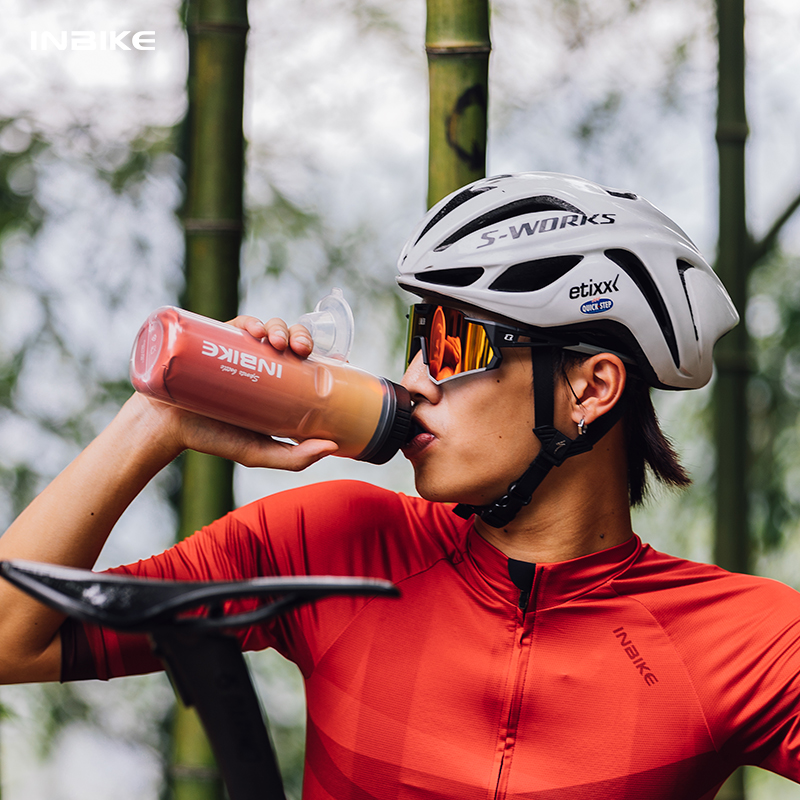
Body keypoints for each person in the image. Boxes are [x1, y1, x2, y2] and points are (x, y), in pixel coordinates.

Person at [1, 172, 799, 800]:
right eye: (421, 334)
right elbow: (10, 639)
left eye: (456, 342)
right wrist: (157, 420)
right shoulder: (334, 541)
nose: (415, 378)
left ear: (590, 389)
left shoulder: (742, 641)